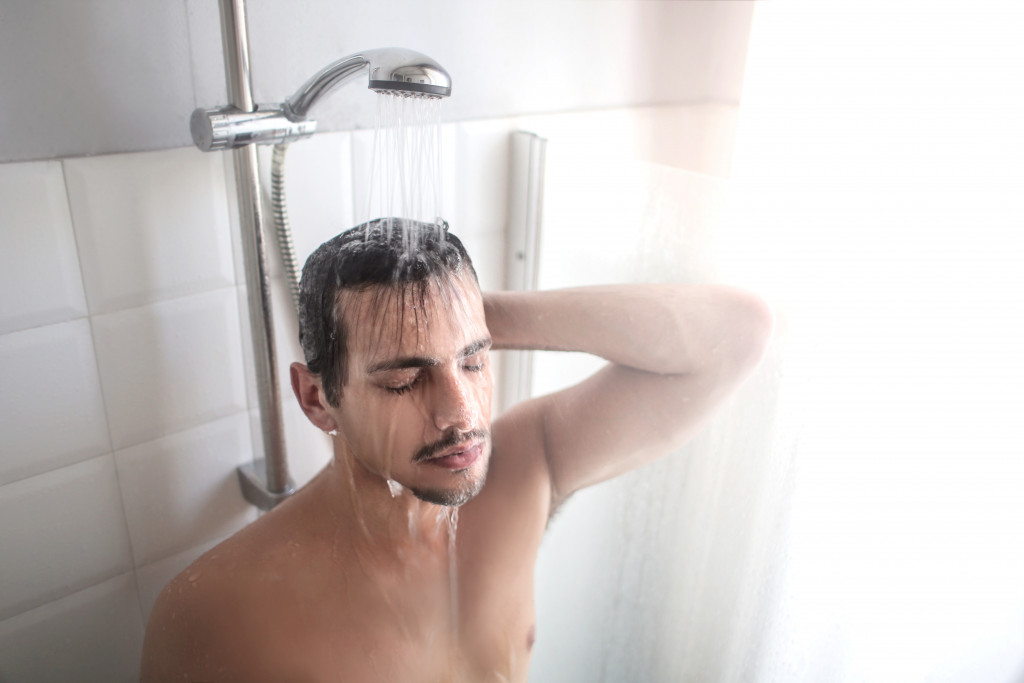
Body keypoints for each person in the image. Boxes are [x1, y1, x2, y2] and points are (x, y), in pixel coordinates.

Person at [141, 218, 773, 682]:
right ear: (316, 400)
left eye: (474, 362)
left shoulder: (522, 469)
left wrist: (466, 315)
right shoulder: (214, 609)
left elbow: (738, 333)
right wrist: (451, 335)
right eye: (403, 379)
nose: (461, 414)